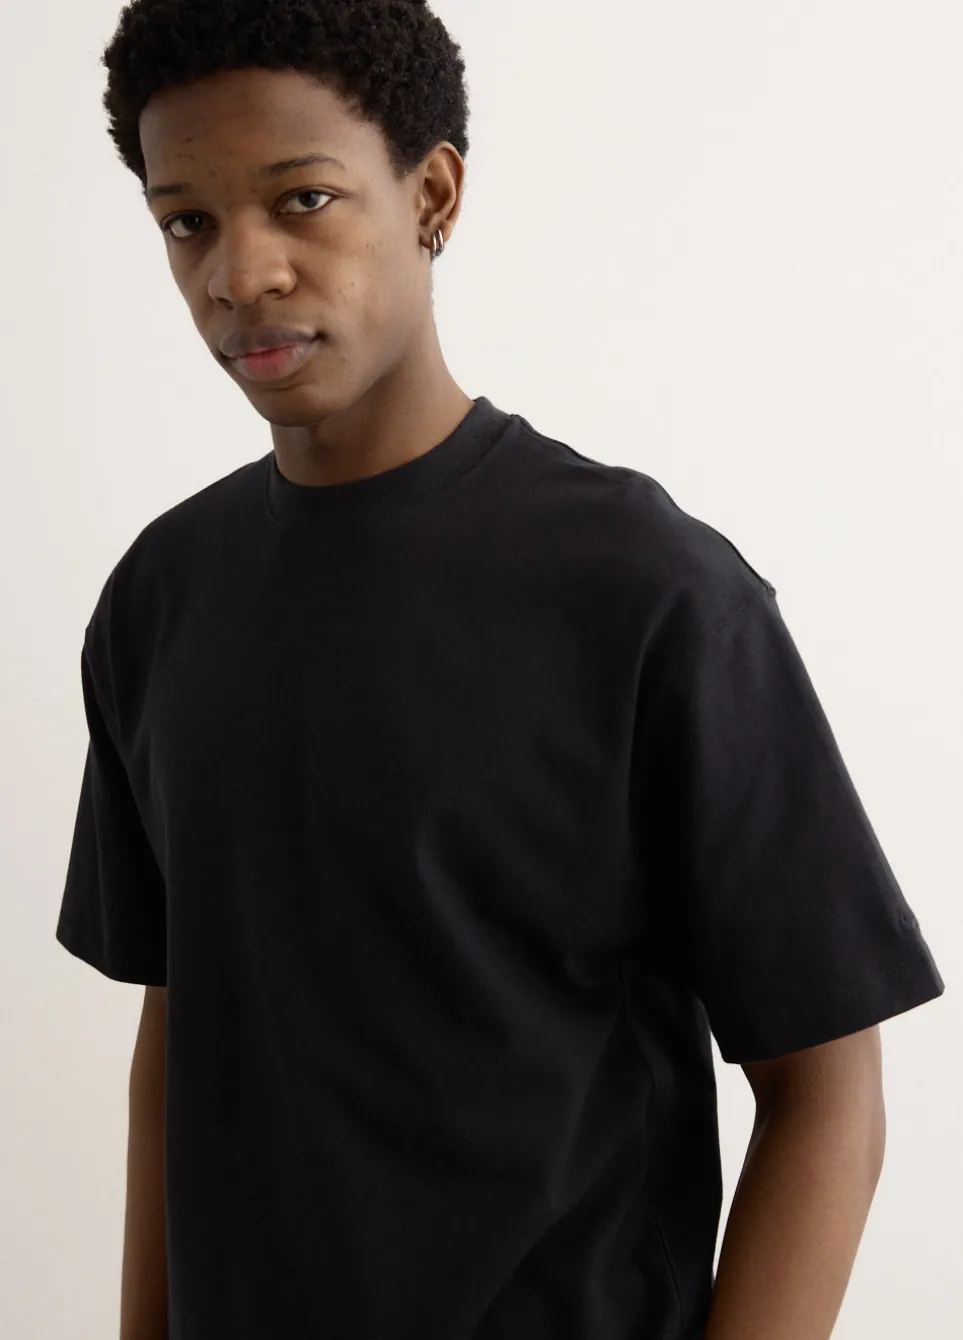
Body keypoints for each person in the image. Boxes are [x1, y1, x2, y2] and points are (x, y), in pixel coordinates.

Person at [55, 3, 945, 1339]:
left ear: (431, 195)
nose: (241, 272)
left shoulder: (647, 593)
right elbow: (181, 1028)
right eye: (187, 222)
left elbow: (826, 1090)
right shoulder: (162, 598)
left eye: (302, 200)